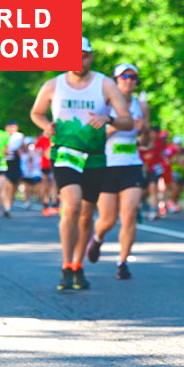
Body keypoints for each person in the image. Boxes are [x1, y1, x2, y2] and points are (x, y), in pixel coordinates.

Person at [30, 36, 133, 291]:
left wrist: (107, 118)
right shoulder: (54, 85)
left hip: (95, 155)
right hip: (65, 153)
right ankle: (66, 265)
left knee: (86, 215)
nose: (80, 60)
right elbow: (36, 112)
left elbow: (128, 121)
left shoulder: (105, 84)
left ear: (91, 56)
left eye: (85, 55)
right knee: (72, 205)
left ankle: (78, 265)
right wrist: (46, 126)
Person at [87, 63, 149, 280]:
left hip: (131, 164)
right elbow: (93, 137)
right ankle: (97, 238)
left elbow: (146, 142)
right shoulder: (104, 104)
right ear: (116, 79)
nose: (130, 81)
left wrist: (144, 130)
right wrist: (117, 125)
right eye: (125, 77)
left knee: (130, 214)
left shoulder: (141, 106)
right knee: (108, 219)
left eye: (134, 78)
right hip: (106, 165)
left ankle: (123, 262)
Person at [2, 120, 24, 218]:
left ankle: (9, 206)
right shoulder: (2, 136)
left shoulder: (19, 137)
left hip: (15, 163)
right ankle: (6, 205)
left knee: (13, 186)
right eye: (10, 126)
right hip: (4, 163)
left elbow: (24, 149)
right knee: (7, 184)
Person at [34, 130, 58, 216]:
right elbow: (36, 150)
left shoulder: (57, 137)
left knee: (55, 184)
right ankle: (45, 203)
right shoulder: (42, 138)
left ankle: (55, 203)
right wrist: (42, 152)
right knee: (46, 184)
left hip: (56, 163)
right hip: (45, 164)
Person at [20, 136, 43, 209]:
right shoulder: (23, 152)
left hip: (36, 172)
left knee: (37, 186)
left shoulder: (36, 151)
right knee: (27, 187)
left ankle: (37, 197)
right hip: (26, 172)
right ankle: (27, 201)